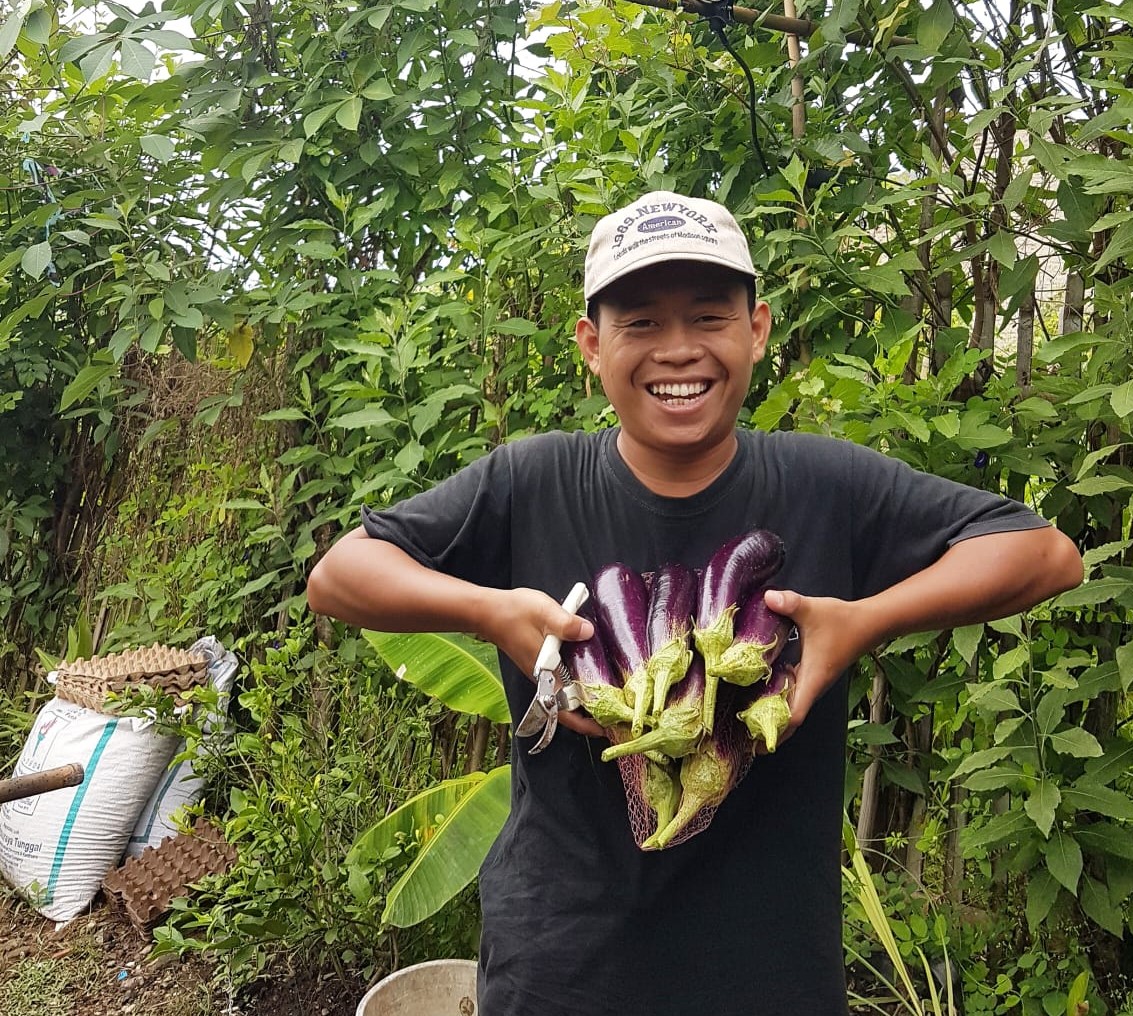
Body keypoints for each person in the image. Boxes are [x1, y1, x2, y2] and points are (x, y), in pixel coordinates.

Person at [307, 190, 1083, 1016]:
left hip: (766, 969)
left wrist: (865, 619)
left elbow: (1044, 554)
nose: (677, 351)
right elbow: (341, 575)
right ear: (591, 346)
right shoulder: (530, 481)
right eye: (639, 323)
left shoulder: (827, 483)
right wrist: (488, 611)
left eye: (708, 317)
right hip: (562, 965)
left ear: (756, 331)